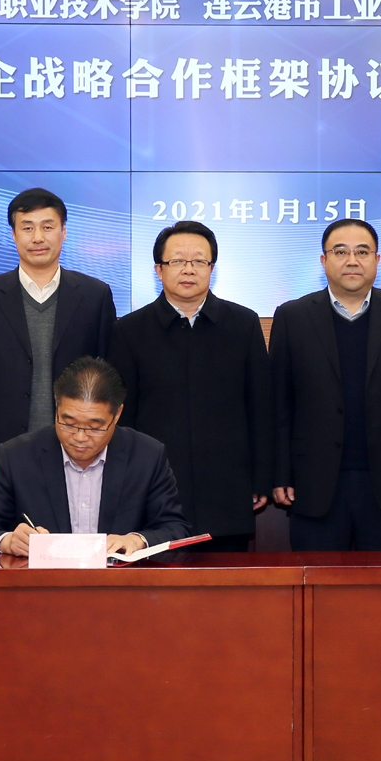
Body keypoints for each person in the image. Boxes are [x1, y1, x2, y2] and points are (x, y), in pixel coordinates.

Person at [269, 218, 381, 551]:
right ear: (324, 261)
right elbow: (278, 404)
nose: (352, 260)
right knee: (316, 580)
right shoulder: (293, 316)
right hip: (312, 482)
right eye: (341, 252)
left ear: (377, 260)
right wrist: (280, 473)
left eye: (362, 252)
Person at [109, 221, 273, 552]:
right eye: (177, 261)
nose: (189, 269)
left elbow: (260, 408)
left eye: (199, 260)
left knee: (226, 579)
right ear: (159, 269)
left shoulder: (243, 324)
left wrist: (261, 478)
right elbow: (123, 420)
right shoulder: (130, 331)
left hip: (228, 487)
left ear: (212, 268)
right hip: (155, 490)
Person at [0, 187, 116, 496]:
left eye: (47, 227)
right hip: (1, 452)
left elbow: (109, 379)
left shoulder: (95, 296)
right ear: (14, 235)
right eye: (27, 228)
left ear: (63, 232)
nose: (38, 237)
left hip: (80, 451)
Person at [0, 356, 192, 555]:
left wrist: (137, 540)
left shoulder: (146, 455)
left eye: (95, 427)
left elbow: (176, 529)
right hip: (43, 589)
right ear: (57, 405)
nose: (79, 437)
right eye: (68, 423)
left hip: (120, 588)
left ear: (117, 414)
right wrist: (7, 541)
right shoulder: (17, 456)